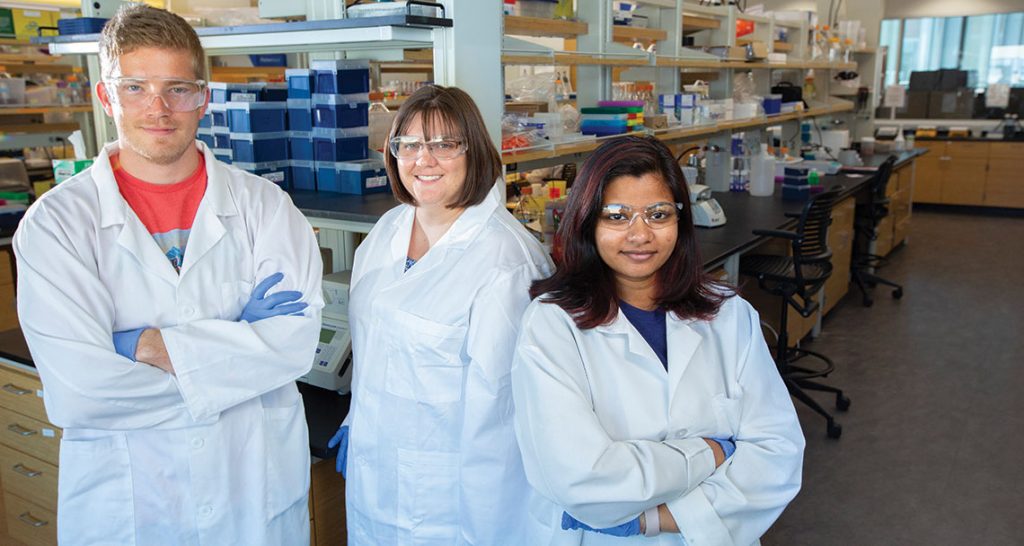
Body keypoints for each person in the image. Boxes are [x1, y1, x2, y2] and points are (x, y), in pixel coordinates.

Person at [13, 5, 323, 545]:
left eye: (178, 88)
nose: (159, 108)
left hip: (251, 492)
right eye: (135, 87)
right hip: (133, 503)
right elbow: (82, 393)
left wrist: (144, 346)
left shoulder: (266, 207)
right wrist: (238, 351)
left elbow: (293, 346)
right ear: (106, 97)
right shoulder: (57, 224)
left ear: (204, 96)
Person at [511, 135, 805, 545]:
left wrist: (656, 518)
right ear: (587, 223)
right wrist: (713, 451)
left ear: (680, 220)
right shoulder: (552, 326)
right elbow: (582, 478)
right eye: (616, 216)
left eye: (658, 214)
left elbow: (778, 454)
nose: (639, 234)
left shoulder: (729, 315)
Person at [327, 84, 553, 544]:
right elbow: (375, 352)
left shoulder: (505, 262)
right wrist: (358, 420)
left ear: (474, 151)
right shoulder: (387, 231)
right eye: (408, 144)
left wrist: (491, 529)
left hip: (447, 501)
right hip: (375, 475)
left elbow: (504, 418)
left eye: (444, 144)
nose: (422, 160)